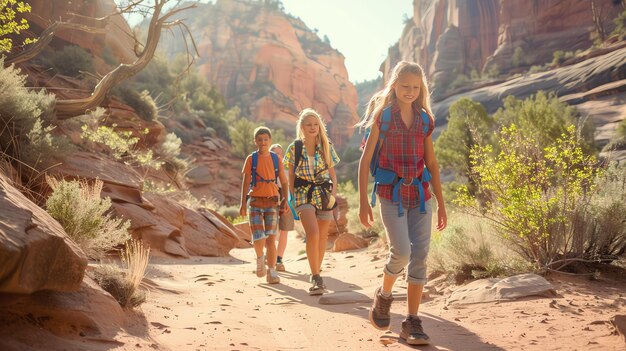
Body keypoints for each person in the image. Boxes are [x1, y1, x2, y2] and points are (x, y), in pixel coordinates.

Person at [357, 61, 447, 345]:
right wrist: (363, 201)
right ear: (394, 85)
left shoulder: (424, 120)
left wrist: (442, 204)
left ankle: (412, 320)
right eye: (405, 86)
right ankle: (384, 296)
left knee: (419, 256)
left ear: (421, 89)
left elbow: (431, 162)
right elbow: (364, 160)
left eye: (415, 87)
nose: (410, 91)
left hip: (421, 197)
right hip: (390, 194)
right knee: (402, 253)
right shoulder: (383, 118)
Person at [283, 108, 340, 296]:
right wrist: (290, 198)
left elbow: (332, 174)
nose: (313, 127)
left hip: (323, 193)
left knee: (323, 237)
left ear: (320, 126)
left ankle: (317, 273)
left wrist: (333, 193)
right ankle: (315, 276)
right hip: (303, 193)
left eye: (316, 124)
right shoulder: (295, 147)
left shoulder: (326, 146)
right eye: (309, 124)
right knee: (313, 233)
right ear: (302, 127)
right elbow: (290, 175)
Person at [240, 127, 288, 284]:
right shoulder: (251, 159)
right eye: (259, 140)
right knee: (258, 237)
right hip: (254, 201)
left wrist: (285, 200)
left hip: (272, 201)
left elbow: (284, 181)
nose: (263, 142)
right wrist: (242, 203)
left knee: (271, 239)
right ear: (255, 141)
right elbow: (246, 181)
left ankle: (272, 271)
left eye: (265, 139)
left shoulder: (276, 159)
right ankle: (260, 258)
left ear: (270, 141)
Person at [269, 143, 295, 271]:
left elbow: (291, 188)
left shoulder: (286, 171)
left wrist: (290, 203)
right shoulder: (266, 171)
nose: (279, 155)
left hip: (286, 202)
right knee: (270, 232)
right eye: (275, 153)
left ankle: (279, 259)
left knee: (284, 230)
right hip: (270, 202)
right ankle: (270, 257)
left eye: (280, 153)